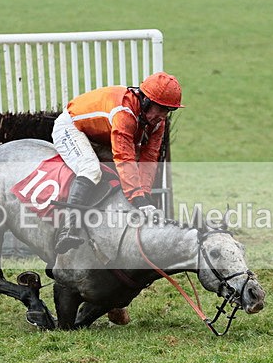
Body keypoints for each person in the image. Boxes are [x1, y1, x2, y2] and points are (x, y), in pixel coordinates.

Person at [52, 71, 183, 254]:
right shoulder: (124, 111)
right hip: (71, 128)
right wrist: (137, 198)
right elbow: (124, 157)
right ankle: (67, 228)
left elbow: (149, 159)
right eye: (160, 109)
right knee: (91, 170)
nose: (163, 116)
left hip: (100, 135)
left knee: (129, 176)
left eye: (168, 111)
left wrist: (144, 197)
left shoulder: (157, 123)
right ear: (145, 100)